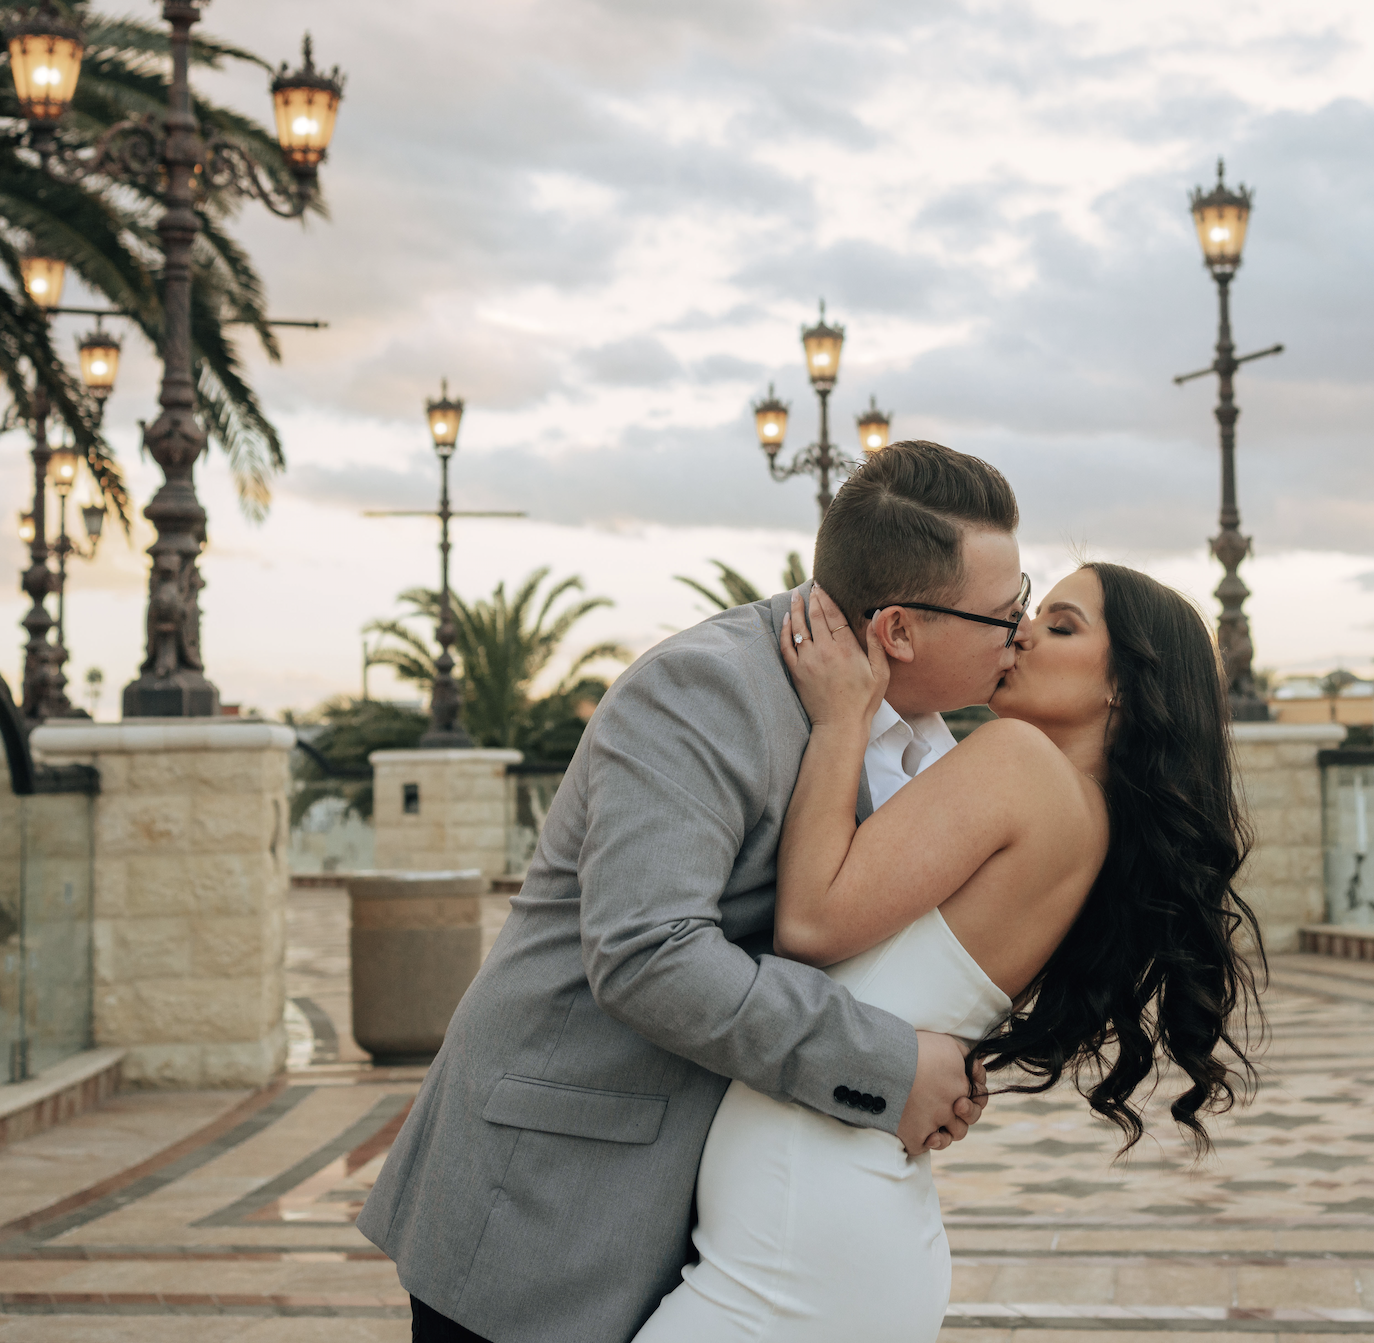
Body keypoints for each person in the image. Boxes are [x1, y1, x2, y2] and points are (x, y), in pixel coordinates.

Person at [359, 441, 1030, 1343]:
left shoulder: (915, 732)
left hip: (711, 1208)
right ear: (899, 631)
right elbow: (647, 954)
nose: (1023, 632)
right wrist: (890, 1065)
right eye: (1005, 614)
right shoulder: (704, 690)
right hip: (552, 1200)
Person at [634, 562, 1264, 1342]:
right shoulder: (1090, 823)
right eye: (1032, 612)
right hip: (824, 1225)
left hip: (802, 1244)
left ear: (1123, 688)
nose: (1022, 632)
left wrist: (840, 721)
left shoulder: (1020, 763)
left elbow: (811, 922)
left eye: (1062, 625)